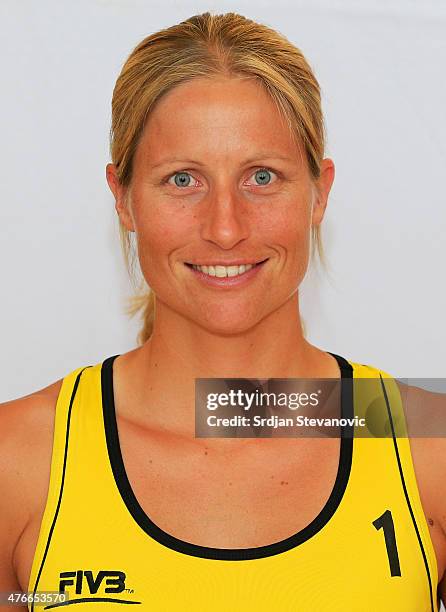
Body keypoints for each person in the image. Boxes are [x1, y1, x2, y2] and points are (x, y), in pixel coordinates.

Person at [0, 11, 444, 612]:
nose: (226, 228)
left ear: (320, 192)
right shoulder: (21, 455)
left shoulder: (425, 441)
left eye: (262, 176)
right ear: (123, 199)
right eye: (183, 179)